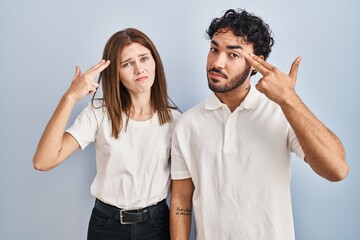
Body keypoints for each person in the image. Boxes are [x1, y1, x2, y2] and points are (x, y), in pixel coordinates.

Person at [169, 9, 349, 240]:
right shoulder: (187, 124)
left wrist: (289, 98)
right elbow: (181, 200)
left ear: (256, 64)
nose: (217, 62)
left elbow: (337, 170)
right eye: (214, 49)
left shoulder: (282, 112)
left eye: (233, 55)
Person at [33, 28, 180, 240]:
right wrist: (69, 98)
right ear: (116, 74)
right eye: (127, 64)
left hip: (157, 225)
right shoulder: (99, 114)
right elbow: (43, 161)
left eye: (144, 59)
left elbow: (181, 194)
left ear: (155, 61)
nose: (139, 69)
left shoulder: (176, 122)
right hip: (107, 226)